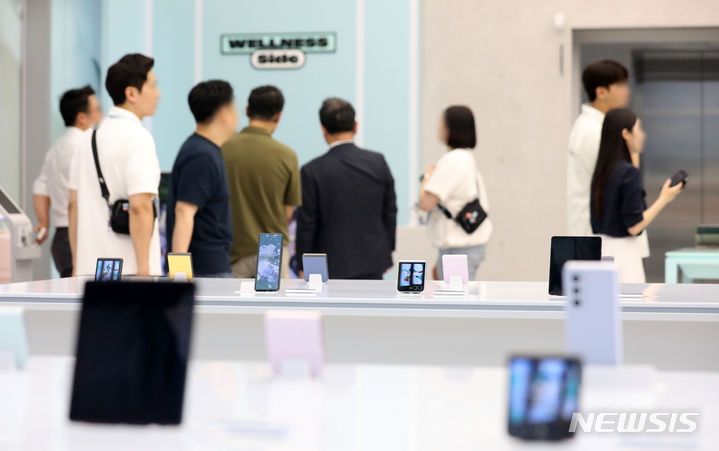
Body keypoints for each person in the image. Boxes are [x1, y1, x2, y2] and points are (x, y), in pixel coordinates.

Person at [68, 53, 162, 276]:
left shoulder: (88, 137)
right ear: (132, 93)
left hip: (89, 270)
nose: (158, 93)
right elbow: (139, 206)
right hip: (129, 272)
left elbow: (73, 204)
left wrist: (77, 264)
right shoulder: (139, 138)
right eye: (152, 86)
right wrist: (144, 270)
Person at [296, 97, 397, 279]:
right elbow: (390, 211)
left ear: (323, 130)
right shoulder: (378, 162)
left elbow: (307, 223)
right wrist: (387, 250)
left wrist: (303, 264)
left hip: (328, 264)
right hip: (372, 260)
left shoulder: (312, 170)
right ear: (355, 126)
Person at [590, 109, 683, 283]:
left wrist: (633, 154)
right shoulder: (628, 173)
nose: (642, 135)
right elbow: (634, 226)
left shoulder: (603, 171)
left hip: (600, 254)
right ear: (626, 134)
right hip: (625, 258)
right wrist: (665, 198)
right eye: (638, 129)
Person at [221, 85, 301, 278]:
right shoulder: (287, 155)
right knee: (271, 298)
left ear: (247, 110)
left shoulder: (223, 149)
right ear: (278, 115)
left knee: (233, 298)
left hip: (233, 252)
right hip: (271, 251)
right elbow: (288, 212)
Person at [166, 80, 237, 277]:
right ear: (224, 113)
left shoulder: (205, 150)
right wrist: (179, 274)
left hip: (210, 267)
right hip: (205, 271)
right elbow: (183, 212)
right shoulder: (202, 155)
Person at [33, 85, 103, 277]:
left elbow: (40, 187)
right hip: (81, 236)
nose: (102, 115)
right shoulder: (87, 146)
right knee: (93, 293)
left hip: (60, 238)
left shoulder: (55, 148)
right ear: (82, 117)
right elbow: (75, 200)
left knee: (72, 292)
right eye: (97, 110)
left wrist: (44, 222)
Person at [418, 106, 492, 280]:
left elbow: (426, 203)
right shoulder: (466, 157)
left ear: (450, 128)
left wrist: (427, 178)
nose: (438, 127)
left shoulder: (453, 160)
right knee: (459, 293)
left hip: (459, 248)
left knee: (456, 296)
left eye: (441, 123)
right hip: (464, 245)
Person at [567, 60, 630, 236]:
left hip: (599, 231)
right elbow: (616, 185)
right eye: (621, 85)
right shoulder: (593, 131)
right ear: (601, 92)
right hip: (598, 233)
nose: (627, 91)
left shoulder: (595, 127)